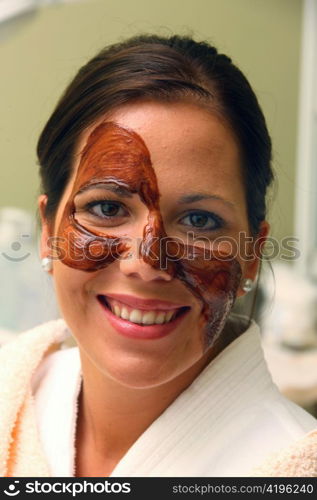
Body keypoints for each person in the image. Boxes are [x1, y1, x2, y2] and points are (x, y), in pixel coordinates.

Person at [0, 34, 316, 478]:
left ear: (251, 255)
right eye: (107, 208)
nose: (147, 262)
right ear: (48, 230)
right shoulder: (11, 397)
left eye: (200, 220)